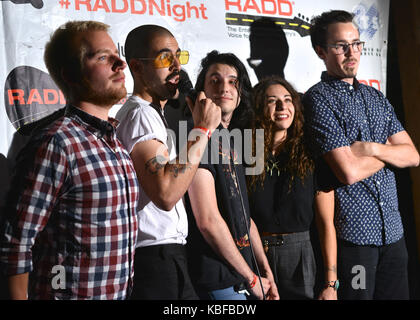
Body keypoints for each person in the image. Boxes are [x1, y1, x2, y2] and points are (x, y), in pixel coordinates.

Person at [0, 21, 139, 300]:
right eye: (102, 57)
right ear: (72, 75)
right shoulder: (56, 142)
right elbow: (15, 243)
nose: (120, 63)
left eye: (116, 53)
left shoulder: (116, 144)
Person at [303, 10, 420, 300]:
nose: (351, 52)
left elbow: (413, 156)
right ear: (321, 51)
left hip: (394, 234)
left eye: (356, 43)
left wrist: (370, 148)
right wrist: (391, 153)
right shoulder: (318, 99)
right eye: (341, 45)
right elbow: (349, 172)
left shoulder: (375, 97)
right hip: (355, 241)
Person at [115, 25, 221, 300]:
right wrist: (202, 131)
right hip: (155, 258)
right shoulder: (141, 115)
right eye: (165, 58)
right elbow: (166, 192)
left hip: (166, 256)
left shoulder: (152, 114)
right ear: (136, 67)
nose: (177, 67)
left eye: (179, 56)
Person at [186, 50, 279, 300]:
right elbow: (207, 220)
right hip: (220, 280)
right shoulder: (197, 139)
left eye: (232, 81)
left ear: (240, 95)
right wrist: (251, 276)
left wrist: (264, 269)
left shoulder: (230, 142)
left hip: (246, 277)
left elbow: (244, 218)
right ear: (201, 92)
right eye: (214, 80)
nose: (224, 87)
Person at [247, 76, 337, 300]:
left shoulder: (311, 153)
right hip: (255, 254)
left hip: (300, 255)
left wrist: (331, 284)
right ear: (259, 107)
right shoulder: (245, 153)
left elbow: (326, 223)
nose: (282, 106)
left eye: (287, 100)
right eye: (272, 101)